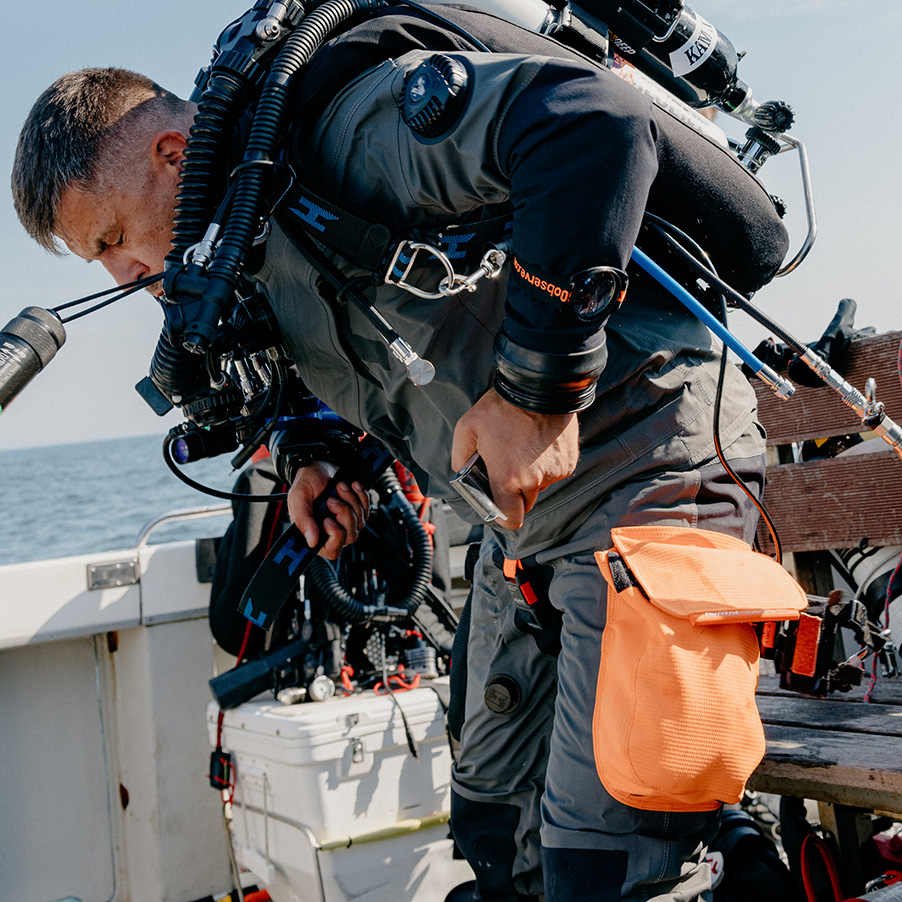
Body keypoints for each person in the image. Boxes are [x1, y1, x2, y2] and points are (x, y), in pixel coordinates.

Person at [11, 5, 794, 899]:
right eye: (98, 262)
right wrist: (319, 455)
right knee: (497, 838)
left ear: (173, 154)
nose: (123, 275)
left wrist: (535, 391)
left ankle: (734, 855)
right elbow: (369, 346)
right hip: (523, 531)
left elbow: (587, 124)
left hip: (647, 466)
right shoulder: (254, 235)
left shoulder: (347, 129)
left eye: (112, 240)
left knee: (609, 870)